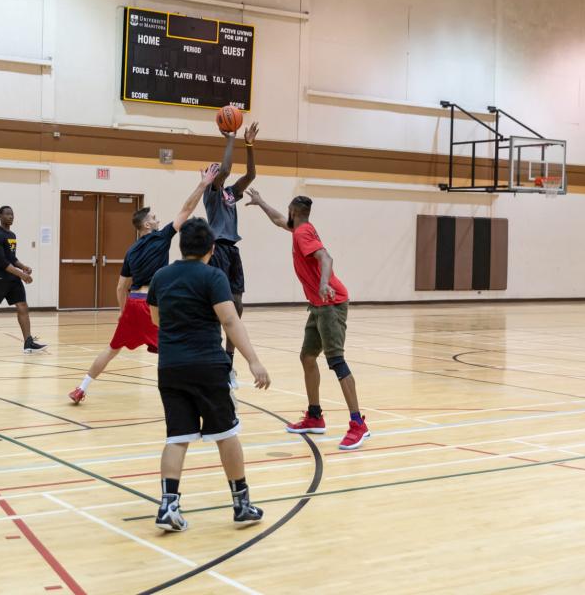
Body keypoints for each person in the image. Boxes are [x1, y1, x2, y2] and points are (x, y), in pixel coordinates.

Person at [147, 217, 271, 531]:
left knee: (177, 437)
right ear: (211, 250)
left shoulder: (161, 277)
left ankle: (168, 507)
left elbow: (157, 318)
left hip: (170, 367)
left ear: (181, 245)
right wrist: (254, 361)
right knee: (226, 433)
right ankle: (242, 505)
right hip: (208, 365)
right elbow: (230, 321)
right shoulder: (214, 276)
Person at [68, 164, 220, 404]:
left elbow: (121, 287)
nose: (157, 219)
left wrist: (122, 312)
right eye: (153, 218)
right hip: (151, 306)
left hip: (133, 304)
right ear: (147, 226)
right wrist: (203, 184)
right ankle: (190, 393)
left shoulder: (130, 251)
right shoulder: (161, 237)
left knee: (111, 349)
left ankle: (81, 387)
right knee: (175, 347)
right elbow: (186, 209)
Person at [245, 189, 370, 450]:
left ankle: (358, 424)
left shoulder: (302, 233)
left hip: (330, 303)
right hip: (317, 305)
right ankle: (315, 416)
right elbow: (279, 220)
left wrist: (324, 283)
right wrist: (261, 202)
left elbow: (326, 257)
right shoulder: (301, 228)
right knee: (307, 357)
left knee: (336, 361)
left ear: (294, 212)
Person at [204, 121, 258, 389]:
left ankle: (229, 362)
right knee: (219, 308)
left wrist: (248, 145)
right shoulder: (211, 193)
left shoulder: (229, 194)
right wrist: (230, 139)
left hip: (232, 252)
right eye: (212, 170)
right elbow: (225, 169)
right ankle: (215, 360)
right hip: (217, 251)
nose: (218, 171)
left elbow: (250, 175)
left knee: (237, 307)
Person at [0, 206, 47, 354]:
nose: (10, 216)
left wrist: (23, 266)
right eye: (7, 214)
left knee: (22, 306)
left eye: (12, 214)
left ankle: (28, 342)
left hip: (12, 278)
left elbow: (11, 258)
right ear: (0, 216)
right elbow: (1, 262)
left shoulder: (12, 234)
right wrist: (22, 275)